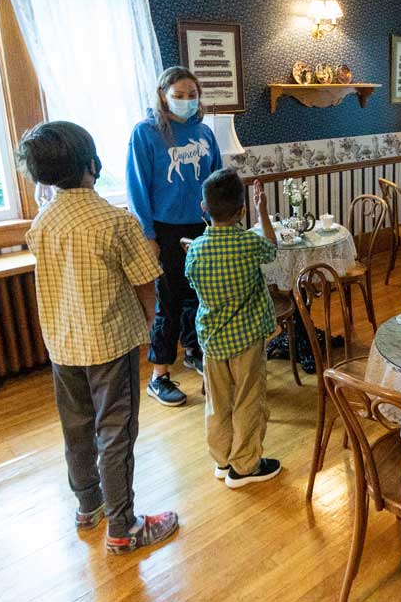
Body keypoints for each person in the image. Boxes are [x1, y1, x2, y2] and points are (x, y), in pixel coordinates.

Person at [19, 121, 179, 555]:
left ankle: (89, 506)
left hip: (62, 343)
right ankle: (124, 527)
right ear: (92, 164)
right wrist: (149, 324)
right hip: (110, 343)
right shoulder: (115, 221)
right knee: (116, 432)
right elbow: (147, 281)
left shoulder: (43, 221)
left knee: (76, 428)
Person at [127, 66, 223, 407]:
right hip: (165, 230)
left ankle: (194, 351)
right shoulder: (146, 133)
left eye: (191, 95)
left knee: (198, 297)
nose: (185, 101)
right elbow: (137, 188)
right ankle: (159, 375)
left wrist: (218, 223)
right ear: (163, 96)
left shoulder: (205, 133)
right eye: (178, 96)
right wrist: (148, 234)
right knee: (167, 301)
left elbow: (216, 180)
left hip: (201, 226)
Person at [185, 168, 281, 488]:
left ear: (204, 208)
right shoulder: (248, 244)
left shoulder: (196, 250)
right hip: (246, 339)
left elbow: (193, 284)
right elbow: (271, 246)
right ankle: (246, 465)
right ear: (242, 210)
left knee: (218, 403)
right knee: (249, 400)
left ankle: (223, 459)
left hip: (211, 342)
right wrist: (263, 210)